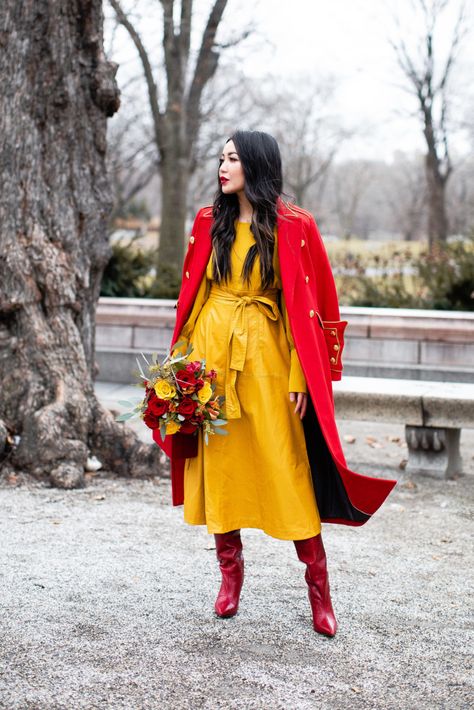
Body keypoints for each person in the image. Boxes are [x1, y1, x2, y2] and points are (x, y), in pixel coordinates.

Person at [155, 130, 396, 637]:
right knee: (219, 466)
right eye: (220, 159)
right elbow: (193, 295)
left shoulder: (295, 225)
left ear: (257, 165)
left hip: (268, 360)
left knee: (285, 469)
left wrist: (301, 377)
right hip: (210, 360)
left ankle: (319, 588)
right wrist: (177, 368)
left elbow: (316, 306)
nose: (223, 167)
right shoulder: (206, 221)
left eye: (233, 159)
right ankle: (229, 578)